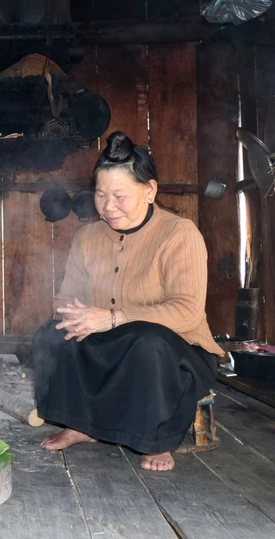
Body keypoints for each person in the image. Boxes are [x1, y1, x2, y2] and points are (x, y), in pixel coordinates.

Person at [33, 131, 224, 471]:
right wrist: (76, 316)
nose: (108, 206)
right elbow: (65, 299)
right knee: (52, 332)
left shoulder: (179, 234)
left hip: (177, 350)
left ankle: (155, 439)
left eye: (119, 196)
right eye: (101, 195)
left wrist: (112, 317)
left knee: (147, 342)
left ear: (149, 191)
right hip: (113, 340)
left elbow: (187, 312)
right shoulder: (87, 237)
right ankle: (81, 425)